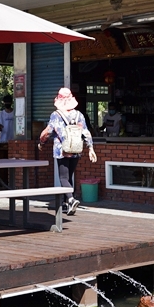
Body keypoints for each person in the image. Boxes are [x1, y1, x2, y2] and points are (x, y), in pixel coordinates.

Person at [37, 87, 96, 215]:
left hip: (61, 150)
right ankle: (66, 204)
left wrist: (41, 143)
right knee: (69, 176)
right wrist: (90, 148)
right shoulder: (79, 115)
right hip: (76, 148)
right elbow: (86, 132)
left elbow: (47, 132)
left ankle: (70, 198)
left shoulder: (56, 115)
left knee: (63, 177)